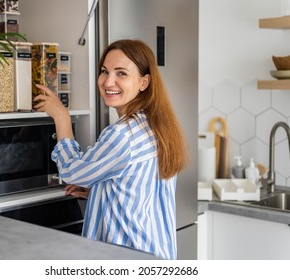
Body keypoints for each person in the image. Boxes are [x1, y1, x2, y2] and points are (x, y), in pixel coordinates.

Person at [33, 39, 189, 260]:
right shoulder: (156, 126)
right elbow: (141, 188)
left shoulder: (121, 135)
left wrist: (61, 117)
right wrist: (102, 192)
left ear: (144, 82)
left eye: (121, 73)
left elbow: (71, 171)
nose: (108, 82)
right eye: (105, 71)